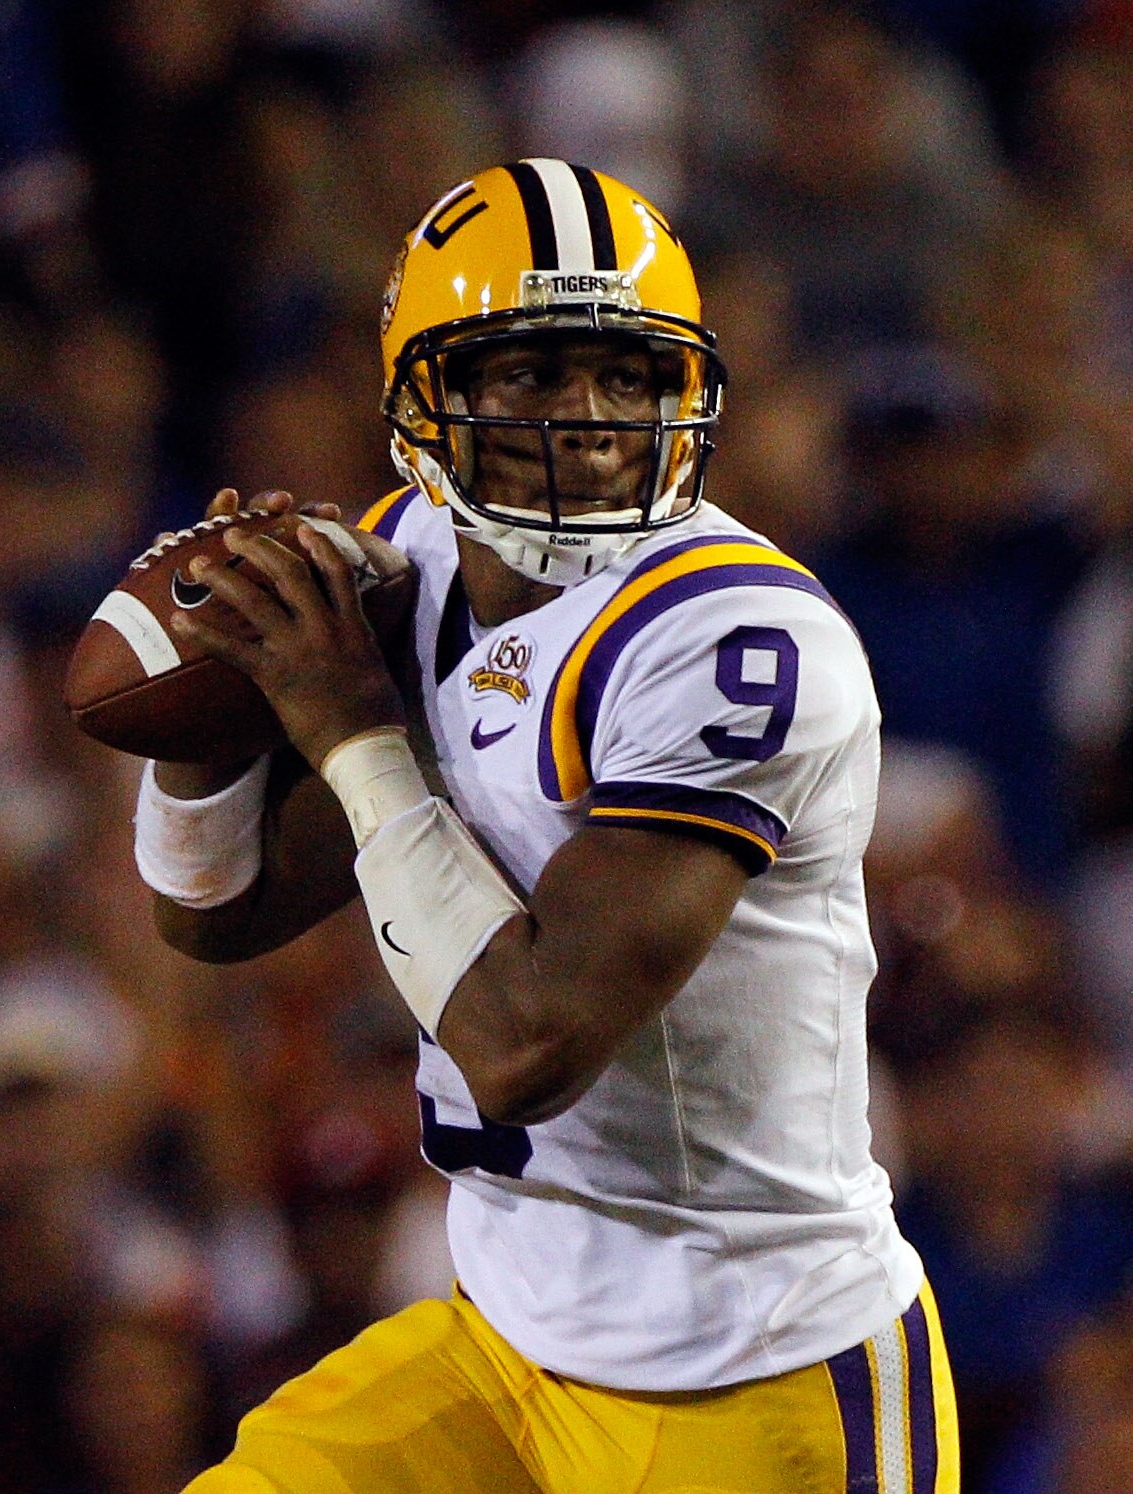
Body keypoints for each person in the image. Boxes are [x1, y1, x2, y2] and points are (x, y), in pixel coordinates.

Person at [132, 159, 959, 1492]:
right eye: (528, 372)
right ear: (425, 395)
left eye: (624, 373)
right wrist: (208, 719)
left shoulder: (736, 634)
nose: (585, 417)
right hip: (504, 1330)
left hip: (741, 1370)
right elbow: (213, 914)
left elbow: (525, 1042)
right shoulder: (416, 554)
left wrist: (347, 729)